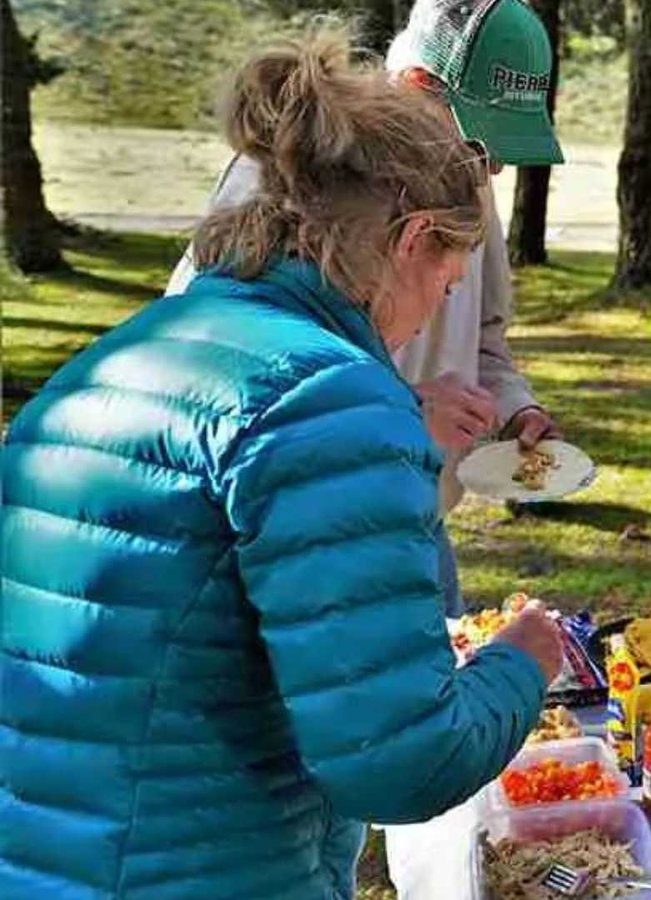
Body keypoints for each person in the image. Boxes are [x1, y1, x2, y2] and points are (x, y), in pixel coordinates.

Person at [0, 32, 566, 899]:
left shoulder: (114, 361)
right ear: (412, 240)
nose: (426, 323)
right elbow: (404, 762)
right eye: (446, 285)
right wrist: (522, 661)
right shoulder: (335, 399)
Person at [168, 0, 565, 618]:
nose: (489, 169)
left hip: (416, 514)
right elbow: (215, 377)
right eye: (479, 142)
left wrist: (515, 409)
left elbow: (484, 335)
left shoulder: (466, 183)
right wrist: (402, 410)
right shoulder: (282, 175)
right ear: (414, 86)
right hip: (311, 534)